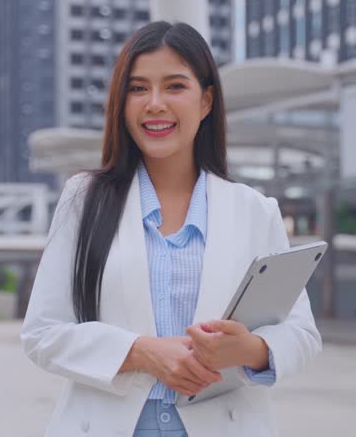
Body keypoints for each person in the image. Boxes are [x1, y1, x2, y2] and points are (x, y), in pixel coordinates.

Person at [21, 22, 322, 437]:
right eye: (138, 88)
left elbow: (302, 334)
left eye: (175, 86)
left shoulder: (254, 210)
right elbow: (42, 333)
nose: (155, 104)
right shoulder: (83, 199)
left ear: (206, 101)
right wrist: (140, 352)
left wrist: (250, 350)